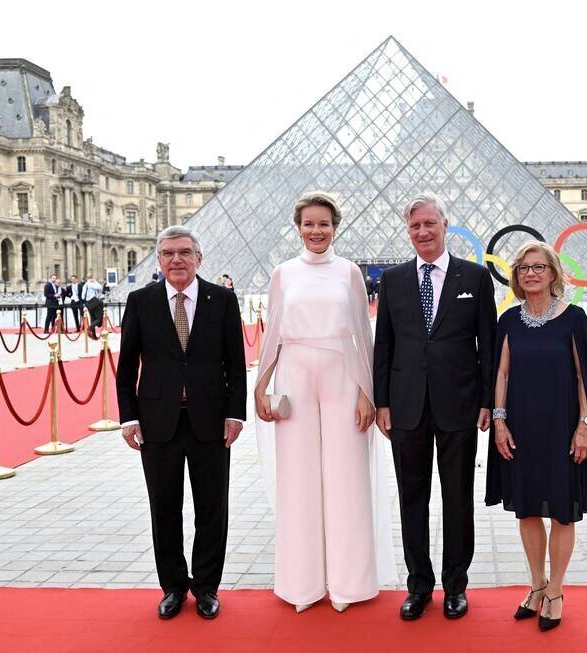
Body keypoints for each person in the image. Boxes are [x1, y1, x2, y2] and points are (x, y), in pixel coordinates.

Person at [254, 191, 395, 614]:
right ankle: (302, 583)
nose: (317, 231)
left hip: (341, 373)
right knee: (298, 480)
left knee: (346, 477)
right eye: (309, 224)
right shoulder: (282, 273)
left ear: (335, 227)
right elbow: (274, 331)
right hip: (294, 376)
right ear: (298, 227)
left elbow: (361, 332)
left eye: (324, 224)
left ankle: (350, 583)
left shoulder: (350, 272)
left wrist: (367, 392)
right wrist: (260, 387)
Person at [373, 193, 496, 621]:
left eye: (429, 224)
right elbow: (383, 345)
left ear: (446, 225)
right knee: (412, 499)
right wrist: (382, 401)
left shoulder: (476, 278)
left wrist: (487, 401)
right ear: (407, 231)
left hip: (460, 406)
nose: (422, 232)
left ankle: (456, 586)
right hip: (406, 407)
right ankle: (419, 586)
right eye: (414, 226)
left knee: (457, 498)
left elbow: (489, 345)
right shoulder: (393, 280)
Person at [116, 225, 247, 621]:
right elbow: (127, 366)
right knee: (164, 508)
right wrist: (129, 417)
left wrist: (235, 413)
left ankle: (206, 587)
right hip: (158, 423)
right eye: (169, 253)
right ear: (158, 259)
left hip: (209, 420)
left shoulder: (222, 299)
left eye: (185, 252)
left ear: (199, 258)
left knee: (212, 508)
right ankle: (173, 586)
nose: (176, 259)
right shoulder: (141, 301)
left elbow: (235, 363)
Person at [484, 241, 587, 632]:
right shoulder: (509, 321)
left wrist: (584, 426)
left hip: (562, 428)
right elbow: (500, 374)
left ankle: (556, 590)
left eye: (538, 267)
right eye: (523, 268)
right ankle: (536, 585)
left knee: (564, 511)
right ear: (516, 277)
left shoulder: (574, 318)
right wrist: (499, 422)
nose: (530, 273)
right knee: (528, 508)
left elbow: (584, 375)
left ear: (553, 273)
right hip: (520, 428)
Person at [81, 273, 104, 338]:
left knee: (93, 318)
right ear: (92, 277)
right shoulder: (91, 284)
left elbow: (82, 296)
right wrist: (95, 281)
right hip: (94, 301)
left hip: (88, 303)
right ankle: (90, 328)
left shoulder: (85, 285)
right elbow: (100, 287)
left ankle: (93, 335)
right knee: (99, 318)